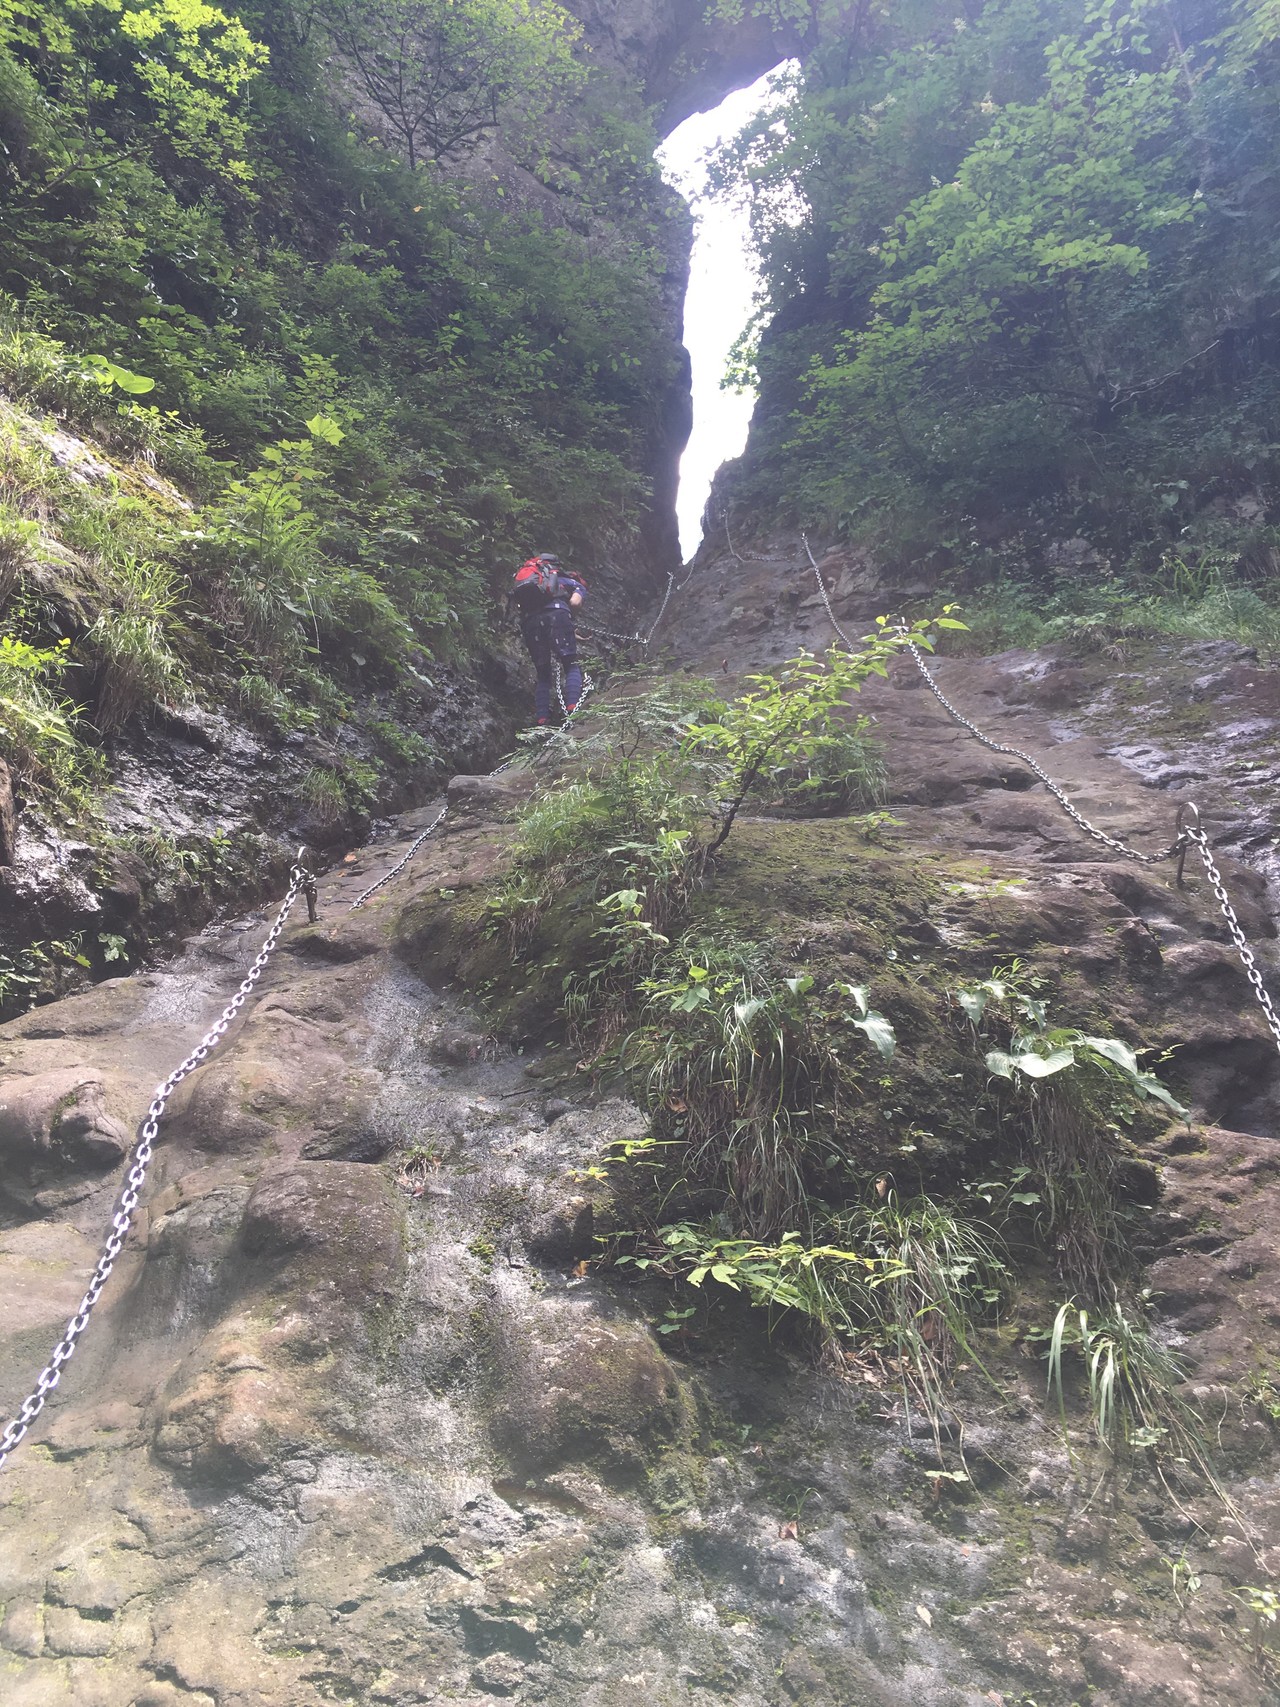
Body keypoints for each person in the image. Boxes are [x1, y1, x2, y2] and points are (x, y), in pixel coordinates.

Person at [513, 552, 586, 725]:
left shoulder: (529, 582)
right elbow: (575, 603)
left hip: (530, 622)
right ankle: (573, 708)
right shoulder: (568, 582)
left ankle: (542, 720)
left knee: (543, 674)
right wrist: (570, 621)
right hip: (557, 616)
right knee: (570, 663)